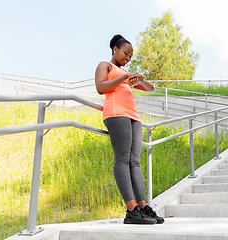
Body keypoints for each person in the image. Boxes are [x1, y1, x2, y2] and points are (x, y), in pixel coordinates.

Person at [95, 34, 164, 225]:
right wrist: (124, 77)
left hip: (133, 116)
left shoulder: (126, 74)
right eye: (126, 53)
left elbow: (149, 88)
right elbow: (100, 88)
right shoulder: (106, 66)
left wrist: (138, 78)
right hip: (116, 113)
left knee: (135, 162)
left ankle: (143, 207)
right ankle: (131, 210)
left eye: (131, 56)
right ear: (115, 50)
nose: (128, 58)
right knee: (123, 160)